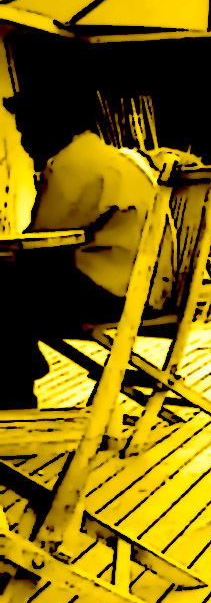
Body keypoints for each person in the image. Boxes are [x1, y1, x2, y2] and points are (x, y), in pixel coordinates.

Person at [0, 82, 164, 408]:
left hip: (112, 293)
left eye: (25, 129)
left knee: (6, 290)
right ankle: (21, 368)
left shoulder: (72, 165)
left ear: (49, 124)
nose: (22, 142)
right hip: (143, 285)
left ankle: (15, 386)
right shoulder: (113, 158)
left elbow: (40, 244)